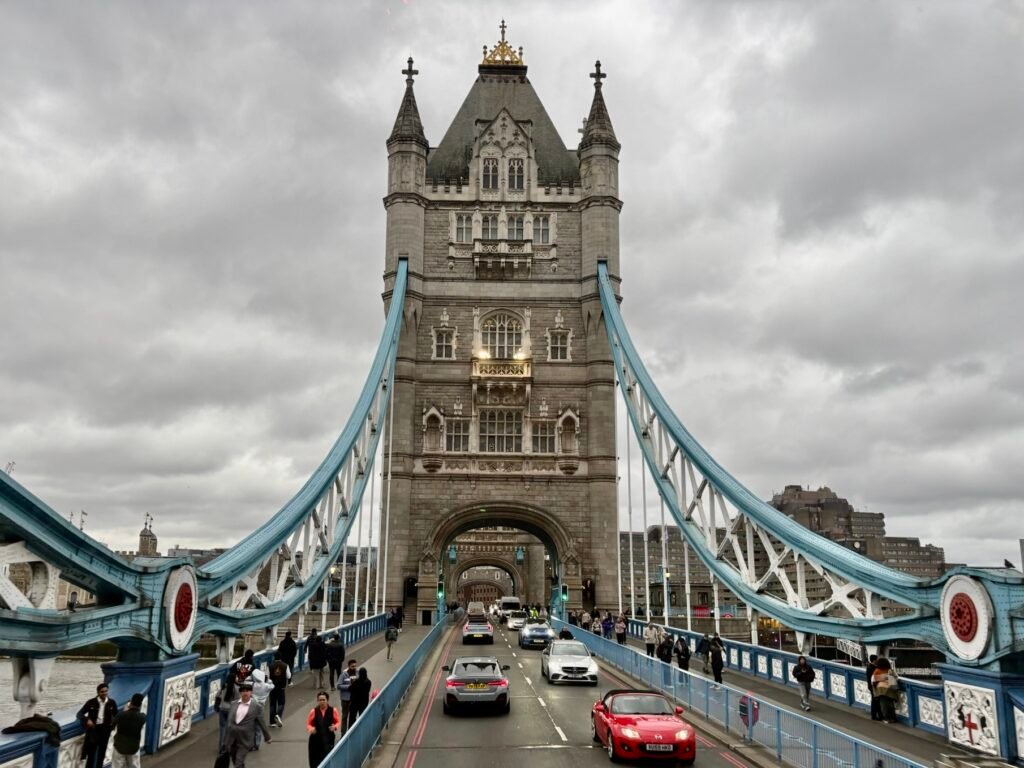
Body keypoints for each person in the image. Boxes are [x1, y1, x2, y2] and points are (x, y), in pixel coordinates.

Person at [220, 681, 272, 767]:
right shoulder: (234, 704)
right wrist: (225, 739)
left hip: (245, 740)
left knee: (238, 762)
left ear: (251, 692)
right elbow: (229, 721)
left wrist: (267, 737)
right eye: (243, 691)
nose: (245, 693)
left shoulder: (256, 707)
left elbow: (261, 722)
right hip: (232, 739)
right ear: (240, 692)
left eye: (248, 691)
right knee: (234, 759)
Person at [77, 682, 118, 768]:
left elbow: (116, 715)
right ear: (98, 692)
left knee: (102, 753)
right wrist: (87, 720)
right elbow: (80, 714)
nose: (104, 693)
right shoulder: (91, 702)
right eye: (102, 691)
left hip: (105, 730)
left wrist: (111, 727)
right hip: (94, 730)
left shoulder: (111, 703)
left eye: (106, 691)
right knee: (91, 753)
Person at [110, 693, 146, 768]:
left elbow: (112, 726)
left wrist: (126, 710)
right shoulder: (142, 717)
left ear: (131, 703)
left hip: (119, 746)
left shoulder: (121, 715)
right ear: (140, 704)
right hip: (133, 747)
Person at [306, 690, 340, 768]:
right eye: (320, 700)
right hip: (315, 741)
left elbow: (338, 721)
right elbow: (308, 724)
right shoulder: (313, 711)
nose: (322, 702)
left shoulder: (333, 710)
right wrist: (311, 729)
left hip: (328, 740)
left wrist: (335, 727)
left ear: (327, 700)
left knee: (327, 759)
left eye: (323, 700)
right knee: (315, 761)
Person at [249, 669, 274, 746]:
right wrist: (267, 679)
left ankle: (251, 742)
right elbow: (272, 685)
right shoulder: (267, 686)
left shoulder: (252, 685)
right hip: (261, 706)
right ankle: (257, 743)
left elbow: (245, 680)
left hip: (252, 705)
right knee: (259, 725)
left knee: (251, 725)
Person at [872, 658, 900, 723]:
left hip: (881, 689)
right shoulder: (890, 670)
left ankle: (886, 718)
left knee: (884, 705)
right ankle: (893, 718)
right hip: (890, 689)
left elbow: (873, 681)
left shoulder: (877, 671)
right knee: (890, 704)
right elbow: (896, 678)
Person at [267, 652, 290, 727]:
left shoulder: (270, 666)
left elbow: (267, 677)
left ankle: (272, 722)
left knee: (272, 704)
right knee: (281, 703)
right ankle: (278, 715)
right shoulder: (285, 665)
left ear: (274, 657)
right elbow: (288, 676)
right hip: (281, 687)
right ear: (281, 658)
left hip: (272, 687)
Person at [337, 658, 358, 732]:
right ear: (349, 666)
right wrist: (349, 687)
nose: (354, 668)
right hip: (345, 699)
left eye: (355, 666)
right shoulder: (344, 675)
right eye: (352, 666)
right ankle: (343, 733)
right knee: (344, 716)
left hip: (354, 699)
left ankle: (351, 732)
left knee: (353, 717)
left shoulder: (357, 674)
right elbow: (339, 685)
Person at [865, 654, 882, 721]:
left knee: (874, 701)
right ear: (874, 660)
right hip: (874, 686)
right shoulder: (872, 668)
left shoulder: (869, 667)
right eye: (877, 659)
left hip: (871, 686)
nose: (878, 661)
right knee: (876, 701)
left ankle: (875, 715)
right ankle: (876, 715)